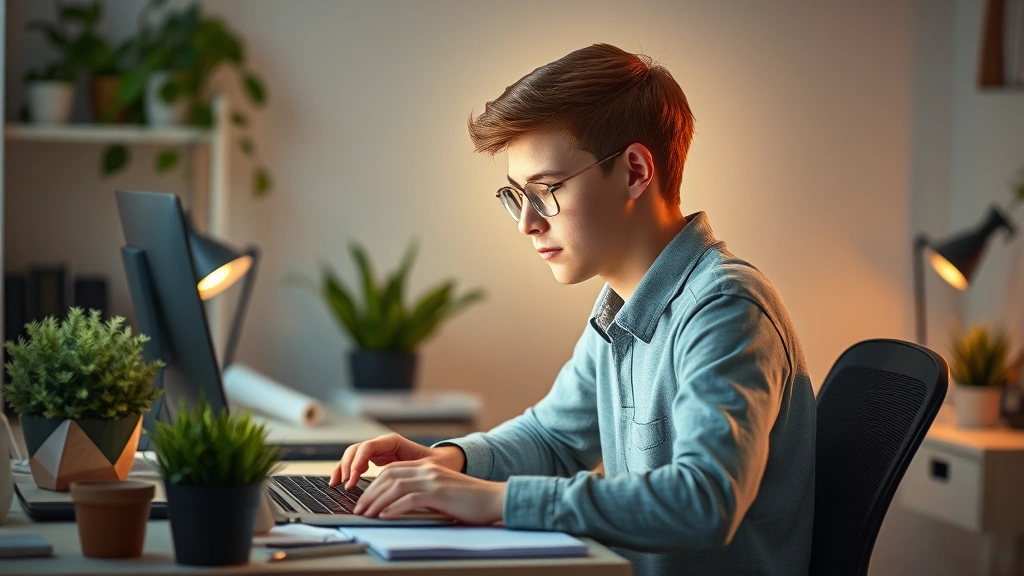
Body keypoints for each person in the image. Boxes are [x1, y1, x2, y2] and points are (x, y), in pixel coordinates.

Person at [329, 43, 815, 576]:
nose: (527, 223)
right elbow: (554, 438)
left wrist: (496, 501)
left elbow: (703, 500)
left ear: (634, 171)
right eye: (517, 196)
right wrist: (450, 461)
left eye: (546, 190)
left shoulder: (725, 308)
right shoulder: (620, 309)